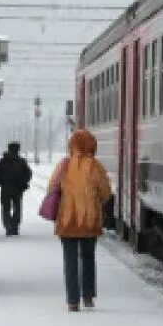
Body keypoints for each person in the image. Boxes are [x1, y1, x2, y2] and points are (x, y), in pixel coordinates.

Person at [46, 129, 112, 311]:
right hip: (89, 221)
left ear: (72, 146)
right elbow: (106, 193)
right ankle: (88, 296)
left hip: (67, 221)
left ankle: (73, 301)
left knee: (70, 260)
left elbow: (51, 187)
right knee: (88, 257)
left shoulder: (64, 165)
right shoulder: (95, 166)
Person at [0, 141, 32, 236]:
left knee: (6, 208)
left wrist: (2, 183)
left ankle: (8, 226)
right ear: (18, 150)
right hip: (18, 189)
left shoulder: (2, 161)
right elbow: (28, 174)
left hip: (6, 189)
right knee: (17, 208)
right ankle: (14, 226)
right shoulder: (22, 161)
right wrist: (24, 183)